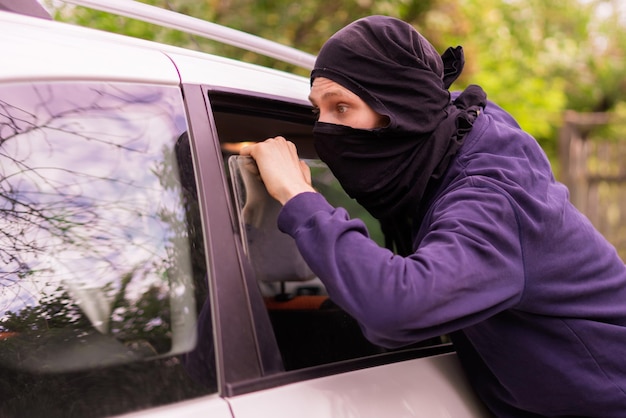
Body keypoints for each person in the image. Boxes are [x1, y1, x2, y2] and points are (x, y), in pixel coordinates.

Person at [240, 15, 626, 417]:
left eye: (341, 107)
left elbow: (396, 307)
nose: (325, 129)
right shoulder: (434, 164)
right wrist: (257, 218)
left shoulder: (492, 196)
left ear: (402, 107)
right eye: (318, 111)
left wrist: (298, 195)